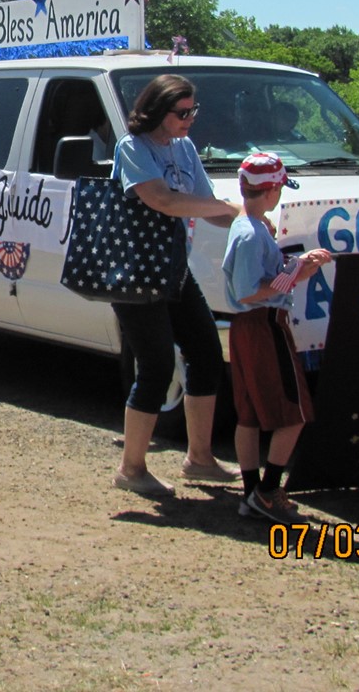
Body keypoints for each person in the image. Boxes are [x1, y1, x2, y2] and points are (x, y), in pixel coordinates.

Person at [109, 74, 244, 498]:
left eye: (193, 111)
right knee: (155, 366)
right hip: (135, 273)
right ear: (157, 110)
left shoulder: (185, 149)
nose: (190, 120)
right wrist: (229, 209)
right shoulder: (131, 148)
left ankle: (199, 459)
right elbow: (163, 200)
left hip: (174, 269)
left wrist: (248, 217)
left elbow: (206, 208)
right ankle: (132, 469)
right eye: (182, 113)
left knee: (206, 354)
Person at [220, 152, 330, 525]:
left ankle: (252, 493)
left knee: (249, 414)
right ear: (270, 191)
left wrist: (297, 265)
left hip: (246, 328)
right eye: (280, 187)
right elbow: (249, 289)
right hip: (263, 325)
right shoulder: (252, 233)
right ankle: (267, 492)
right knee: (294, 413)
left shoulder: (246, 225)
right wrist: (299, 274)